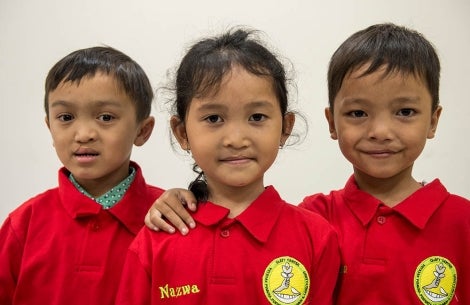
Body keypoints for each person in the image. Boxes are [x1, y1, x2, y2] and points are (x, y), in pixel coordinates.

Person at [145, 23, 470, 304]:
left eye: (405, 112)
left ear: (433, 120)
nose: (380, 132)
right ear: (332, 122)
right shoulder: (318, 218)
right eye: (358, 113)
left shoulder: (462, 222)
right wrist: (175, 198)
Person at [115, 28, 340, 305]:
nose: (236, 139)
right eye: (213, 118)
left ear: (285, 127)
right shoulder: (157, 238)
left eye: (257, 117)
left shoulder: (316, 237)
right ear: (182, 132)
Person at [0, 46, 165, 305]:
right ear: (50, 127)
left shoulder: (168, 218)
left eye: (105, 117)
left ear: (142, 131)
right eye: (66, 117)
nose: (84, 134)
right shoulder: (23, 225)